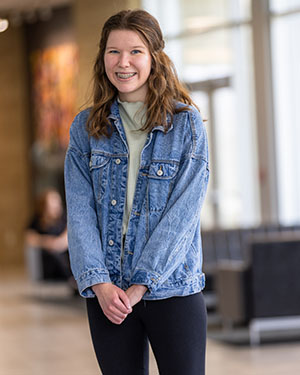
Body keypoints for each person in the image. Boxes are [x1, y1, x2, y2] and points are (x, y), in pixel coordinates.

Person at [64, 9, 209, 375]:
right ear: (102, 59)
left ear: (154, 58)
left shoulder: (185, 124)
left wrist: (143, 283)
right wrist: (98, 282)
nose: (123, 62)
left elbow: (184, 214)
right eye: (113, 51)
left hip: (173, 288)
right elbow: (79, 212)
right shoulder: (85, 128)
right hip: (108, 294)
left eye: (135, 51)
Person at [25, 189, 75, 289]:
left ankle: (74, 279)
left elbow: (67, 237)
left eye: (57, 201)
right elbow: (29, 238)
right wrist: (47, 242)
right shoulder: (37, 220)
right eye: (52, 202)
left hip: (65, 252)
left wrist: (56, 244)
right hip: (48, 261)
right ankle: (72, 280)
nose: (56, 205)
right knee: (53, 253)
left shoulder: (65, 218)